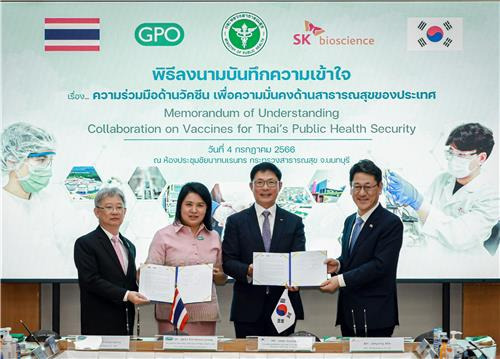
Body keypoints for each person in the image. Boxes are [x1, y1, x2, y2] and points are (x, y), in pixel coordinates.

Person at [320, 159, 403, 337]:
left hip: (375, 315)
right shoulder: (350, 220)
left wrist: (339, 280)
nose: (362, 193)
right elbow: (352, 258)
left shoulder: (391, 223)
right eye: (357, 187)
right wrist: (338, 265)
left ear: (380, 187)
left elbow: (380, 266)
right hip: (349, 312)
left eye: (368, 186)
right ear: (350, 189)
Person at [222, 162, 306, 338]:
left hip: (283, 307)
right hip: (247, 308)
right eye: (259, 182)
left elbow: (298, 261)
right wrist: (248, 270)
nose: (265, 188)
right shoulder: (236, 222)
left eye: (271, 182)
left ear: (280, 186)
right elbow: (228, 262)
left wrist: (296, 276)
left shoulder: (294, 222)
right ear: (251, 186)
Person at [386, 123, 498, 252]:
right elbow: (417, 218)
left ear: (481, 158)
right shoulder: (443, 179)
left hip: (465, 263)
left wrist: (417, 202)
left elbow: (459, 238)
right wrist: (405, 207)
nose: (453, 159)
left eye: (461, 155)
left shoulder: (492, 195)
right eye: (451, 152)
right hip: (430, 252)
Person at [145, 182, 227, 335]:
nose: (194, 210)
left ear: (207, 208)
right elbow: (150, 274)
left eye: (200, 205)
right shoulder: (163, 235)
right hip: (172, 316)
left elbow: (222, 277)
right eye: (189, 204)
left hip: (205, 316)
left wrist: (220, 275)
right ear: (180, 206)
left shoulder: (214, 236)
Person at [74, 187, 149, 335]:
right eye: (109, 207)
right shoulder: (85, 243)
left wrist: (142, 280)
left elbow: (126, 282)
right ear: (97, 212)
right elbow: (91, 280)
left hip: (126, 321)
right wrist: (127, 295)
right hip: (99, 322)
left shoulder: (129, 246)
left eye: (119, 207)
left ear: (125, 212)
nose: (115, 212)